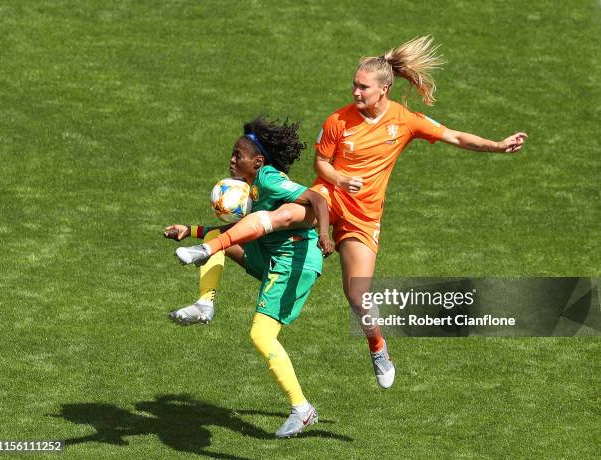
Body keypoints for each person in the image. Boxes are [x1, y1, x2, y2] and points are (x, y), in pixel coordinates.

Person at [175, 36, 528, 390]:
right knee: (282, 216)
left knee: (358, 296)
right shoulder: (337, 121)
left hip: (364, 218)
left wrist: (497, 146)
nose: (356, 93)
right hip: (329, 195)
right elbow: (321, 164)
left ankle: (378, 348)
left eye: (363, 87)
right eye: (354, 85)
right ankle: (206, 249)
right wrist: (340, 178)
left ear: (384, 88)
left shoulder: (404, 121)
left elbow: (454, 136)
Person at [166, 117, 332, 437]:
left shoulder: (269, 178)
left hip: (293, 262)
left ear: (256, 161)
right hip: (269, 256)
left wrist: (324, 236)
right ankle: (205, 304)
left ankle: (303, 409)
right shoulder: (251, 187)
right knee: (219, 242)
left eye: (237, 155)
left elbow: (317, 199)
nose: (231, 159)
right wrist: (191, 230)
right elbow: (237, 231)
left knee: (261, 335)